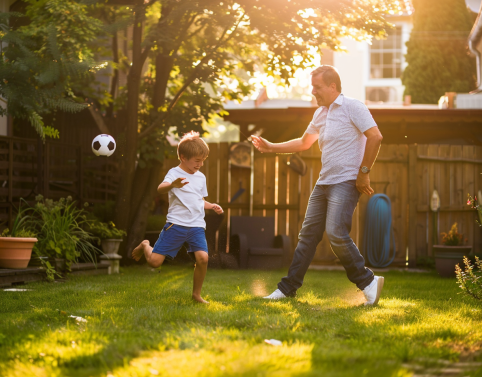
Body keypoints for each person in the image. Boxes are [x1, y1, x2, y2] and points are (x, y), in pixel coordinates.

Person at [251, 65, 384, 305]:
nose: (314, 92)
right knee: (307, 236)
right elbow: (304, 143)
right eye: (313, 88)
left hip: (345, 182)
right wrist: (271, 147)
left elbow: (375, 136)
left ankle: (367, 281)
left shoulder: (353, 107)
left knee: (335, 232)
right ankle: (287, 289)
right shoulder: (320, 114)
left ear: (333, 86)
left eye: (318, 87)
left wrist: (364, 172)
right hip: (323, 183)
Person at [131, 131, 223, 304]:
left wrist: (210, 206)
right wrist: (173, 185)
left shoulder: (201, 177)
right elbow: (160, 188)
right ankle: (145, 245)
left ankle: (196, 295)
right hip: (176, 225)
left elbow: (198, 200)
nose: (200, 164)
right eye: (197, 160)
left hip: (196, 225)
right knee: (155, 263)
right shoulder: (174, 173)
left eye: (203, 160)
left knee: (203, 258)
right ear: (183, 157)